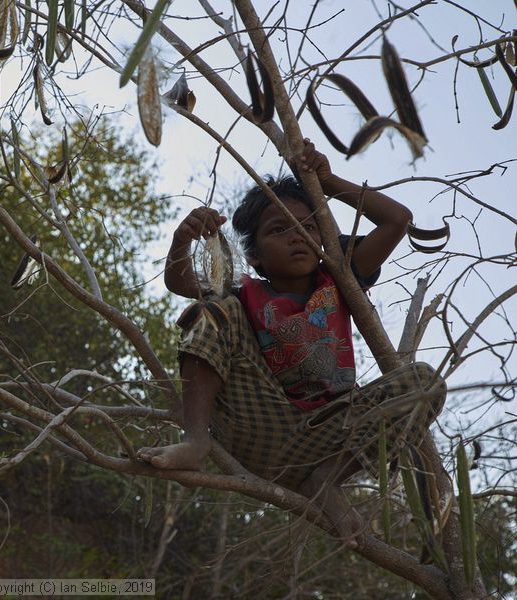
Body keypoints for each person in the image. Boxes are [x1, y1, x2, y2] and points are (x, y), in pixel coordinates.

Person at [137, 140, 446, 548]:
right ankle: (196, 440)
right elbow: (180, 282)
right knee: (213, 309)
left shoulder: (341, 276)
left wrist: (325, 182)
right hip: (261, 426)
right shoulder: (244, 295)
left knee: (423, 382)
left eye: (306, 226)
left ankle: (327, 479)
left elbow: (397, 220)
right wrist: (183, 239)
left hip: (329, 439)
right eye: (278, 230)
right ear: (256, 256)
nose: (297, 237)